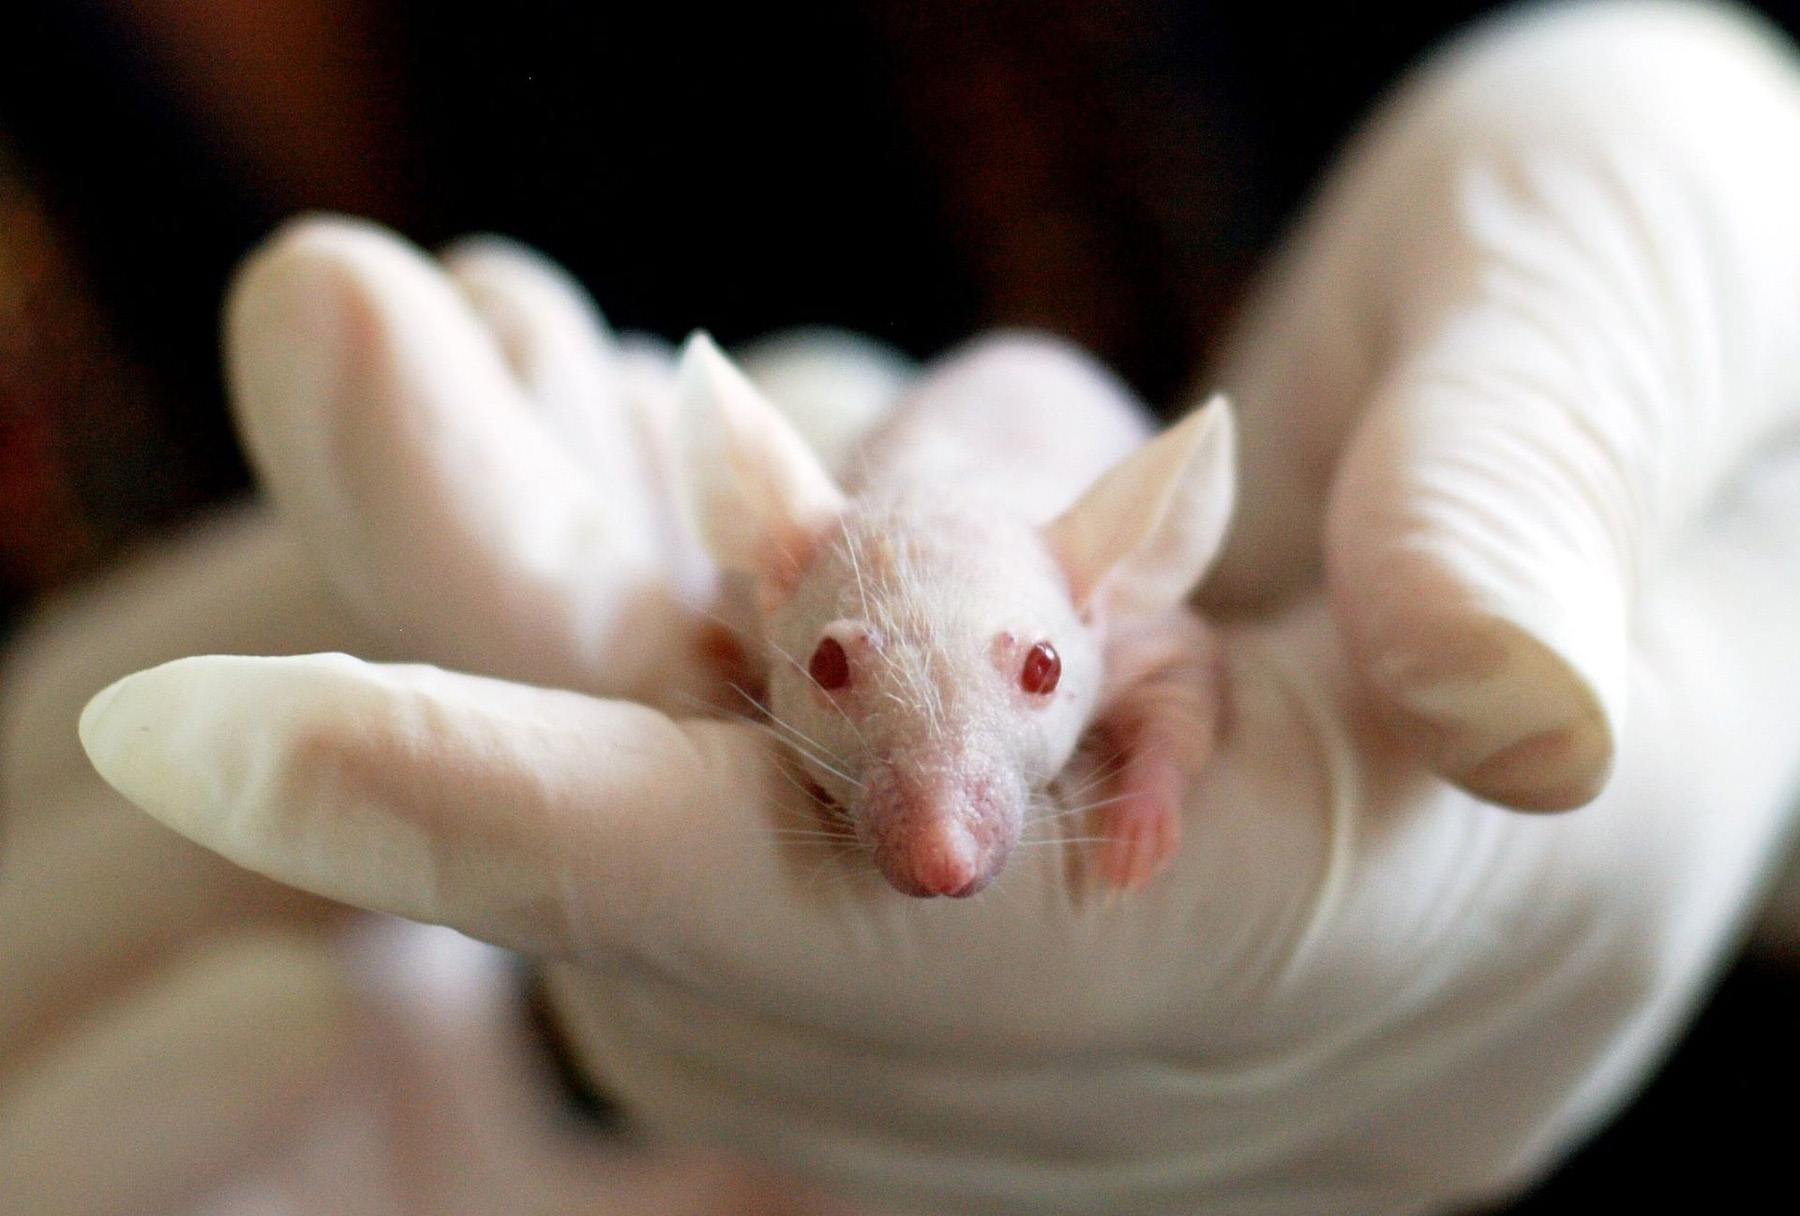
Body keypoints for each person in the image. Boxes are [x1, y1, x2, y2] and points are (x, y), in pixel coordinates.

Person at [8, 2, 1800, 1213]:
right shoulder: (776, 591)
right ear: (765, 565)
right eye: (837, 672)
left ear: (1132, 565)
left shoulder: (1121, 606)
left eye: (1042, 677)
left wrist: (1758, 615)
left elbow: (1160, 672)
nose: (943, 846)